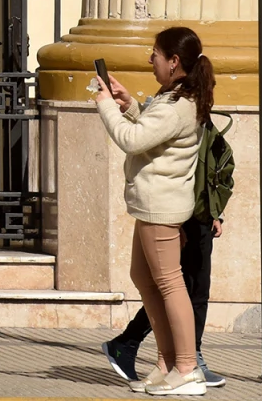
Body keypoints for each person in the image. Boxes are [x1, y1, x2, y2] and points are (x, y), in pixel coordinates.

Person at [94, 26, 215, 396]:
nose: (151, 59)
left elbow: (133, 139)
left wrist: (103, 106)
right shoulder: (173, 96)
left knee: (169, 282)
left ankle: (187, 368)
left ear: (174, 62)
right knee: (144, 277)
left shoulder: (180, 104)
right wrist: (127, 104)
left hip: (161, 207)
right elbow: (149, 130)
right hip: (150, 204)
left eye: (156, 55)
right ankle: (166, 363)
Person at [101, 214, 227, 388]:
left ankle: (174, 361)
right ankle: (185, 362)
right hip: (174, 206)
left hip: (191, 207)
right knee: (176, 285)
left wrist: (215, 212)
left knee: (189, 286)